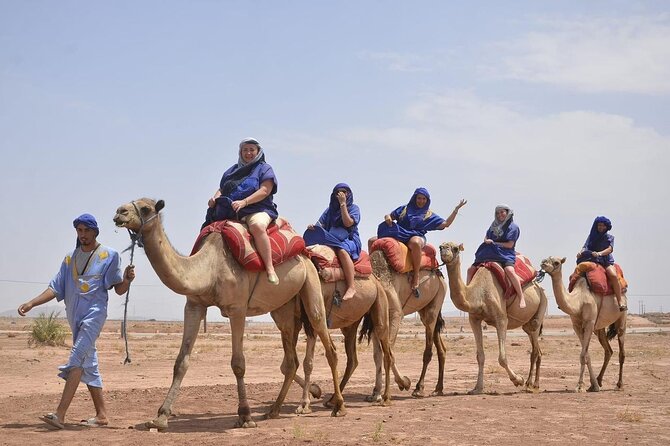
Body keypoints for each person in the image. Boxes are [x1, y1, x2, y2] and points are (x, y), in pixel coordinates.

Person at [17, 214, 135, 429]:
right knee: (89, 363)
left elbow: (118, 289)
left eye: (86, 230)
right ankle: (101, 415)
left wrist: (126, 279)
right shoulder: (69, 258)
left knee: (77, 359)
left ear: (95, 231)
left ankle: (59, 414)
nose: (82, 235)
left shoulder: (109, 255)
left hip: (94, 316)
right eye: (79, 231)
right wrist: (31, 303)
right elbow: (55, 288)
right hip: (74, 318)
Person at [203, 137, 280, 284]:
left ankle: (270, 268)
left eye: (252, 150)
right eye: (245, 150)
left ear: (258, 151)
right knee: (211, 231)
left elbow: (265, 190)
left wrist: (244, 202)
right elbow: (222, 188)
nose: (248, 153)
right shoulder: (232, 171)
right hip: (232, 211)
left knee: (257, 226)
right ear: (240, 152)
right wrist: (214, 199)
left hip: (257, 209)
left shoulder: (264, 168)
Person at [371, 187, 467, 295]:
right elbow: (390, 215)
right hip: (400, 233)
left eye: (424, 199)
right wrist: (387, 218)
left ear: (427, 200)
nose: (421, 201)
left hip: (417, 235)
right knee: (373, 240)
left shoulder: (428, 215)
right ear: (415, 198)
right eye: (419, 198)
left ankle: (416, 275)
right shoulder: (404, 209)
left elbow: (446, 224)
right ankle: (372, 272)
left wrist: (456, 210)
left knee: (415, 243)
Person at [304, 183, 362, 300]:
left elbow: (348, 223)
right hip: (330, 238)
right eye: (338, 193)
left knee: (342, 251)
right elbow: (320, 225)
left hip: (348, 239)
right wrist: (313, 227)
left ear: (348, 194)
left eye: (344, 192)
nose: (340, 195)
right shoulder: (329, 210)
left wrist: (343, 204)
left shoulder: (354, 208)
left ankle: (351, 286)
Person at [469, 204, 526, 308]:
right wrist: (486, 240)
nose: (500, 215)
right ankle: (469, 294)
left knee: (509, 271)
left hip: (505, 253)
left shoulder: (513, 227)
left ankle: (521, 296)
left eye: (502, 212)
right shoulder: (493, 226)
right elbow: (486, 236)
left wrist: (494, 243)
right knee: (470, 269)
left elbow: (510, 245)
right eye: (498, 213)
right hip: (489, 252)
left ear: (507, 212)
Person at [576, 216, 625, 311]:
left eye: (603, 226)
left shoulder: (609, 238)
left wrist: (599, 253)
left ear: (606, 227)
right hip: (591, 258)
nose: (601, 227)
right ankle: (572, 297)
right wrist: (580, 252)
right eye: (599, 225)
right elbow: (585, 246)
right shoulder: (592, 236)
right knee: (577, 274)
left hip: (605, 260)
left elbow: (610, 249)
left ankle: (620, 301)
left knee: (613, 275)